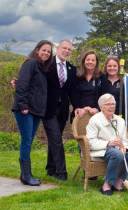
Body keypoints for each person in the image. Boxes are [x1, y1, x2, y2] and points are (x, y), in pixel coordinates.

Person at [12, 40, 53, 186]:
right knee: (27, 140)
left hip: (35, 111)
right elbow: (22, 85)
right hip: (25, 110)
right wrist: (23, 105)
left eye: (49, 51)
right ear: (37, 50)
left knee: (28, 140)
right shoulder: (30, 63)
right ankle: (26, 175)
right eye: (44, 50)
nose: (46, 53)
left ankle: (26, 174)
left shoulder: (42, 68)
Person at [86, 94, 128, 196]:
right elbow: (90, 142)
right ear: (101, 107)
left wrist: (124, 147)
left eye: (113, 104)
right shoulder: (94, 120)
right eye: (108, 104)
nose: (111, 106)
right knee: (116, 154)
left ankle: (119, 181)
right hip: (101, 150)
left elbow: (125, 140)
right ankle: (107, 185)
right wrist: (108, 143)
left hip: (118, 150)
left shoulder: (120, 121)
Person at [42, 39, 76, 180]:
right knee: (56, 139)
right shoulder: (46, 65)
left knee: (53, 139)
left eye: (69, 49)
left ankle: (50, 168)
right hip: (48, 109)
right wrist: (18, 82)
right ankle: (61, 172)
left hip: (62, 111)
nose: (66, 51)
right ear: (58, 48)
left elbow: (72, 91)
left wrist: (77, 107)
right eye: (64, 48)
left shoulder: (71, 69)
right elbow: (35, 79)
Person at [71, 50, 102, 119]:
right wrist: (78, 108)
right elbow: (73, 94)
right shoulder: (77, 76)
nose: (90, 62)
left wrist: (97, 109)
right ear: (84, 61)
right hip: (80, 113)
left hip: (96, 114)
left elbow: (103, 95)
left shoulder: (101, 77)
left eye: (93, 60)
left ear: (96, 62)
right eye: (88, 59)